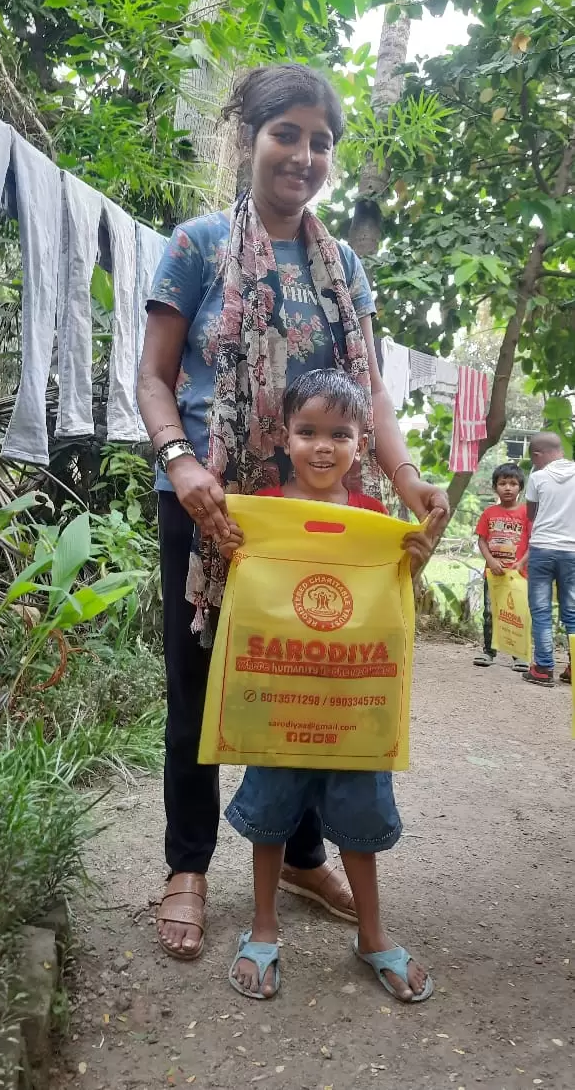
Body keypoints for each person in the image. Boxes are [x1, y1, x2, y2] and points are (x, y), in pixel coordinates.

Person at [137, 63, 449, 962]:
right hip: (214, 508)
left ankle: (305, 856)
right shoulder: (196, 246)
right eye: (287, 134)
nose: (303, 155)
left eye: (320, 142)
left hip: (319, 515)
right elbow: (153, 377)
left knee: (312, 683)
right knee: (201, 688)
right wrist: (180, 460)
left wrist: (407, 477)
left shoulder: (343, 267)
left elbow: (371, 394)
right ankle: (188, 866)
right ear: (250, 139)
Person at [221, 370, 436, 1002]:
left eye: (340, 434)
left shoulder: (374, 518)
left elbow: (387, 600)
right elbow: (248, 587)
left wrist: (411, 564)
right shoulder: (263, 511)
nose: (323, 446)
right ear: (283, 437)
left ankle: (372, 933)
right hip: (280, 700)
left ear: (362, 442)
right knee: (270, 816)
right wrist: (233, 547)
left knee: (359, 818)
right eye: (308, 431)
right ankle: (264, 926)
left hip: (353, 705)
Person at [520, 433, 575, 687]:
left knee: (541, 610)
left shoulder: (538, 477)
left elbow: (531, 514)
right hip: (572, 551)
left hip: (542, 549)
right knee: (572, 611)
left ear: (537, 455)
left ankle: (543, 668)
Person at [473, 462, 529, 671]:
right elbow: (481, 540)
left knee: (518, 614)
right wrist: (491, 561)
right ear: (495, 487)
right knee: (490, 612)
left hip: (518, 575)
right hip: (493, 573)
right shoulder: (489, 513)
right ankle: (488, 652)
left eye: (513, 484)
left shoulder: (526, 513)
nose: (508, 488)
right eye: (503, 483)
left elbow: (534, 542)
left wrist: (521, 563)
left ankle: (519, 656)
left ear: (520, 487)